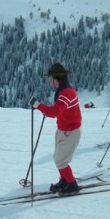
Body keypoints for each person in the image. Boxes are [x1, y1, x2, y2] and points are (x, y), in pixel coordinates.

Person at [28, 62, 82, 195]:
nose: (49, 81)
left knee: (61, 160)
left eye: (49, 78)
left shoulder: (66, 93)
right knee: (58, 158)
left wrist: (38, 105)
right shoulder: (64, 91)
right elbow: (58, 111)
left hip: (70, 132)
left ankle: (72, 184)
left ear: (55, 78)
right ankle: (64, 180)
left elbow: (54, 112)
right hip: (64, 130)